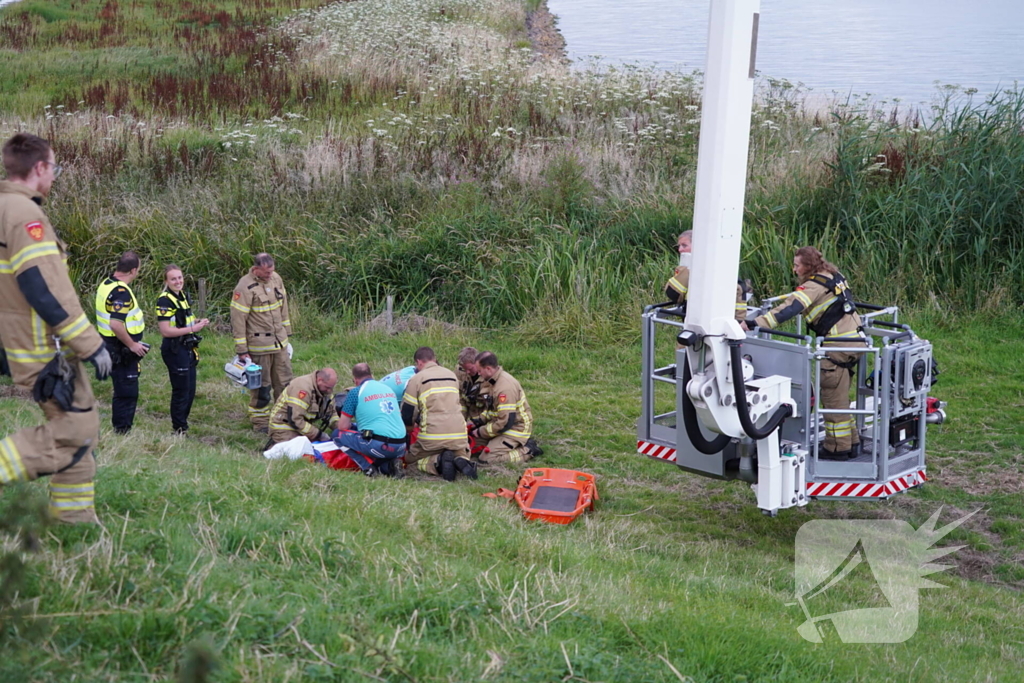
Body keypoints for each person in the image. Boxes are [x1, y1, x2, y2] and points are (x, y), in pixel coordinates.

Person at [0, 132, 111, 523]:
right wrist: (90, 344)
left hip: (17, 339)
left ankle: (73, 519)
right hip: (36, 344)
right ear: (40, 168)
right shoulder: (25, 216)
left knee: (81, 424)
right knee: (76, 430)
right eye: (55, 168)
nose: (54, 176)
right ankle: (71, 517)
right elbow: (43, 286)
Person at [746, 246, 865, 460]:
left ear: (808, 266)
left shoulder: (813, 286)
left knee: (832, 399)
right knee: (840, 396)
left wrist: (754, 323)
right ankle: (852, 442)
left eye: (797, 265)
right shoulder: (832, 275)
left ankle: (836, 448)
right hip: (855, 340)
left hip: (837, 346)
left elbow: (790, 308)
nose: (794, 269)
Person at [231, 253, 292, 432]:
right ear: (256, 269)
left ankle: (284, 418)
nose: (269, 275)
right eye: (266, 272)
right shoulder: (244, 287)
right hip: (258, 347)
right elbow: (238, 319)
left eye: (272, 271)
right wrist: (242, 350)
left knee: (285, 382)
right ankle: (261, 423)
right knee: (262, 387)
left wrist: (286, 332)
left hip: (279, 343)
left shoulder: (276, 279)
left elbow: (284, 306)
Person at [401, 347, 475, 481]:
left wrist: (409, 431)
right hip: (458, 435)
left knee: (410, 461)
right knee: (459, 450)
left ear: (419, 362)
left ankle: (437, 462)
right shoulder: (452, 376)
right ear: (434, 359)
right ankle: (461, 459)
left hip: (432, 437)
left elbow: (408, 413)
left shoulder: (417, 379)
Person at [95, 250, 147, 434]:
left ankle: (121, 427)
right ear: (133, 270)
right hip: (121, 347)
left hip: (109, 345)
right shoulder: (121, 292)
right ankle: (122, 430)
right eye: (138, 269)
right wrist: (132, 345)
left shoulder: (106, 284)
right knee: (127, 391)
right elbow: (116, 324)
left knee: (121, 387)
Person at [155, 264, 209, 434]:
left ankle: (182, 424)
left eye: (179, 278)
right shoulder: (164, 300)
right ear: (166, 281)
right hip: (174, 349)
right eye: (173, 279)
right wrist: (193, 329)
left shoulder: (183, 296)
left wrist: (198, 323)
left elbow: (186, 320)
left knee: (190, 390)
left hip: (187, 347)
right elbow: (165, 330)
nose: (178, 281)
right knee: (181, 390)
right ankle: (179, 429)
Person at [334, 363, 407, 476]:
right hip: (401, 445)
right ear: (372, 375)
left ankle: (367, 468)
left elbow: (342, 426)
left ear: (355, 380)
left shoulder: (355, 393)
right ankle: (390, 465)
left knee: (337, 434)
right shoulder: (388, 388)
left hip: (380, 445)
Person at [469, 352, 541, 465]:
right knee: (469, 445)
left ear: (488, 368)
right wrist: (476, 422)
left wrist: (481, 431)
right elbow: (492, 410)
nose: (478, 373)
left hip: (516, 428)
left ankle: (528, 450)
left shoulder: (504, 388)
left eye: (479, 370)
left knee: (486, 459)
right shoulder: (491, 381)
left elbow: (505, 422)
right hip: (500, 424)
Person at [664, 230, 748, 322]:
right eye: (679, 246)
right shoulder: (720, 265)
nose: (680, 250)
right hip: (696, 320)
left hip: (706, 322)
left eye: (684, 245)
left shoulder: (705, 269)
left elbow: (673, 293)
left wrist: (685, 270)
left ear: (698, 246)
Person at [267, 368, 338, 445]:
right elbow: (295, 419)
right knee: (301, 450)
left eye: (331, 387)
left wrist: (340, 428)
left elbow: (331, 413)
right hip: (283, 426)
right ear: (319, 380)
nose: (330, 391)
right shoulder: (302, 389)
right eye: (327, 387)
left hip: (300, 427)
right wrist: (318, 434)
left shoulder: (325, 390)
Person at [455, 346, 484, 420]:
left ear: (478, 363)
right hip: (467, 415)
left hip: (482, 416)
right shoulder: (459, 371)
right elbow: (459, 396)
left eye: (470, 369)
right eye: (465, 369)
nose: (467, 372)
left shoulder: (487, 375)